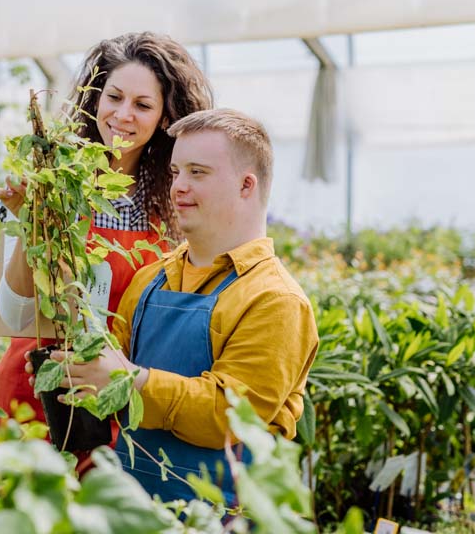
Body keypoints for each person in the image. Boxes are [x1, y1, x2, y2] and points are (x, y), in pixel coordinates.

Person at [45, 108, 319, 505]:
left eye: (198, 172)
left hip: (224, 514)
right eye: (176, 172)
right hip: (135, 506)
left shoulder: (274, 299)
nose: (178, 187)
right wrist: (72, 372)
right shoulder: (151, 278)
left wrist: (129, 381)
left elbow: (229, 415)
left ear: (246, 185)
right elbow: (107, 375)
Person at [0, 32, 214, 441]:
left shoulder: (173, 212)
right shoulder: (50, 185)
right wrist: (34, 221)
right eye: (114, 97)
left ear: (164, 118)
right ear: (95, 100)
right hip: (29, 396)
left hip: (112, 409)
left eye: (142, 105)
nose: (123, 114)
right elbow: (15, 316)